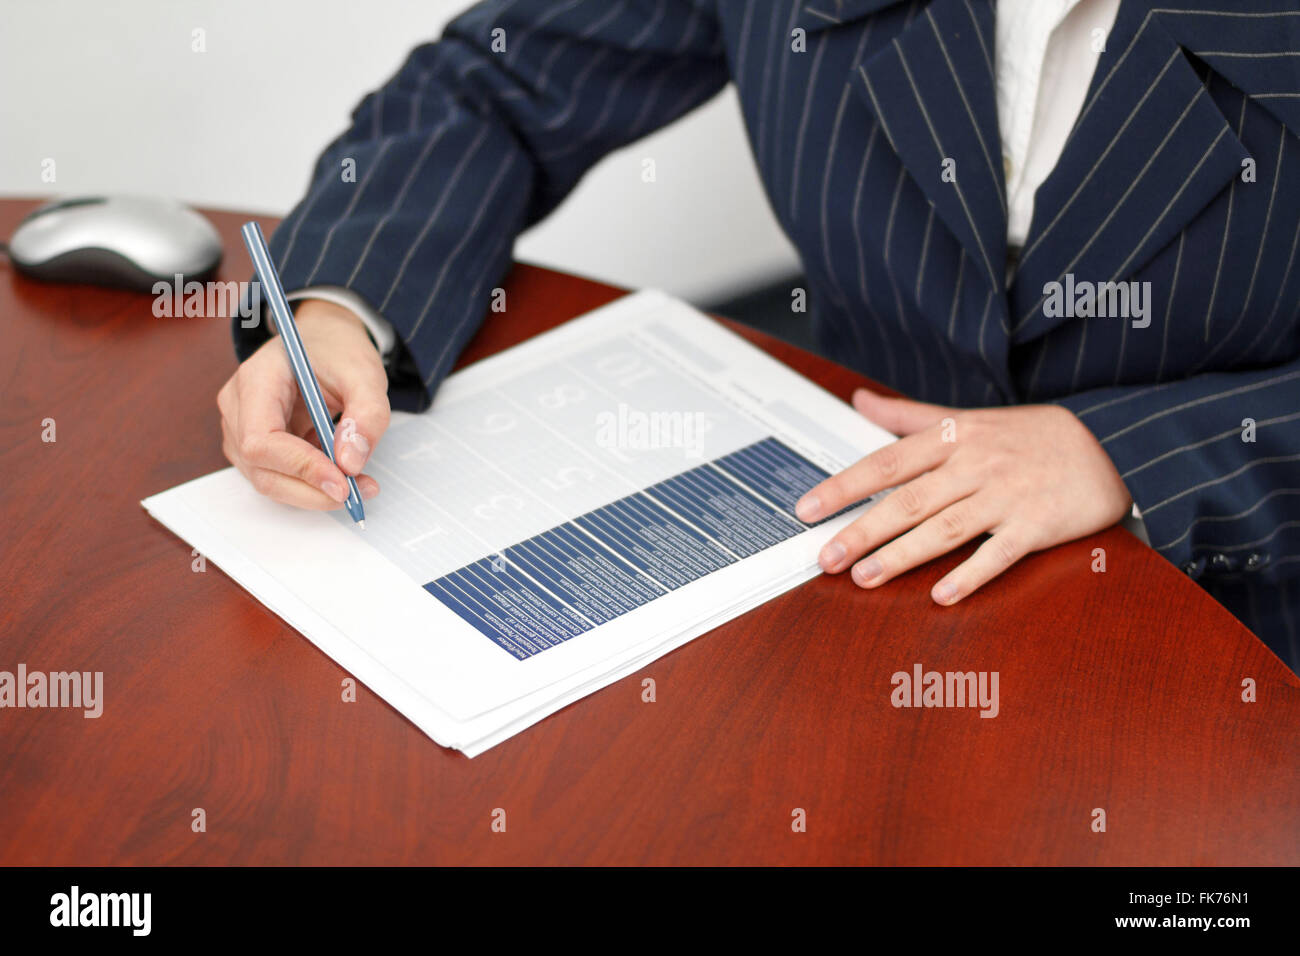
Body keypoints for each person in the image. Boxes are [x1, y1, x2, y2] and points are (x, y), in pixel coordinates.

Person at [218, 0, 1300, 672]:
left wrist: (1126, 449)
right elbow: (496, 82)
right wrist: (341, 305)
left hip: (1236, 627)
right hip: (849, 585)